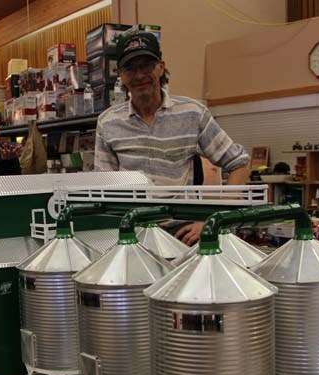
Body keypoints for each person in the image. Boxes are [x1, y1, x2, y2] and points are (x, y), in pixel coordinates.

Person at [94, 31, 250, 245]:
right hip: (132, 233)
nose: (139, 75)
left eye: (146, 65)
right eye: (130, 68)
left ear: (160, 67)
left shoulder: (192, 113)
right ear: (120, 74)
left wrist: (215, 219)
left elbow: (240, 164)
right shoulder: (108, 122)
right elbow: (104, 188)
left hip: (183, 232)